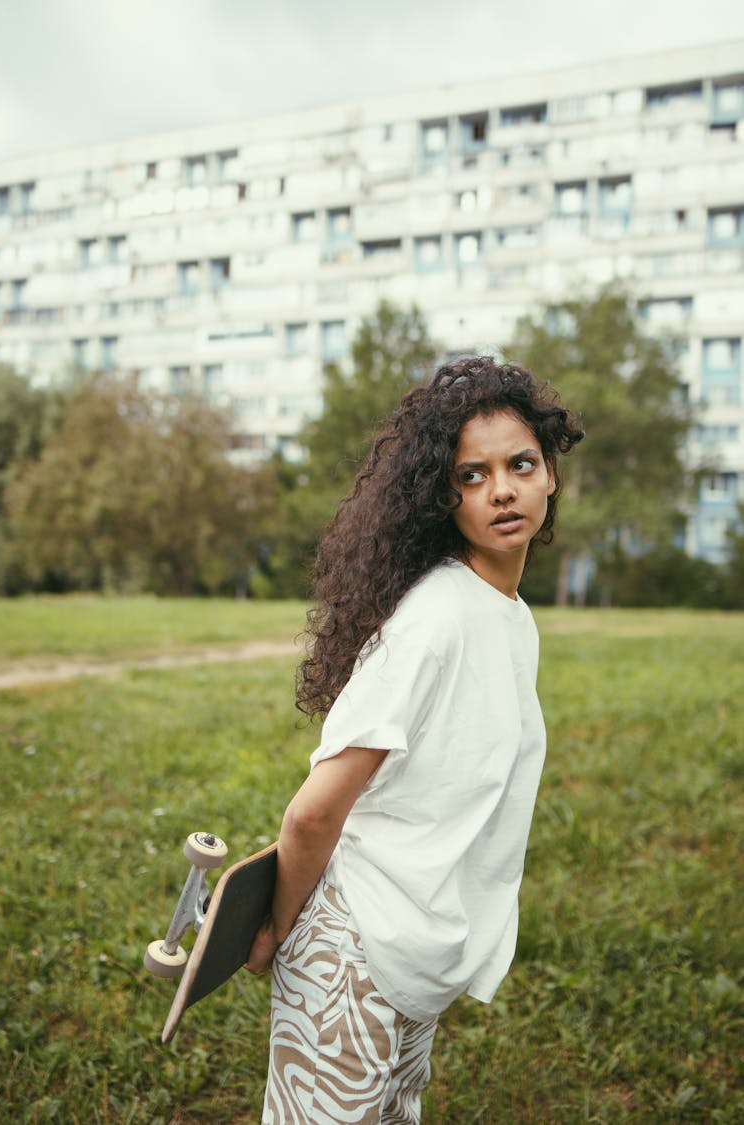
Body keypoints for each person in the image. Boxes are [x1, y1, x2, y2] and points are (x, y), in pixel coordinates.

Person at [245, 356, 584, 1124]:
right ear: (444, 496)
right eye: (472, 475)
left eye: (520, 464)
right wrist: (282, 930)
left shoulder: (509, 617)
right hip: (350, 950)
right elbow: (312, 813)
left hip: (414, 956)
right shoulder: (434, 618)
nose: (500, 489)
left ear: (550, 476)